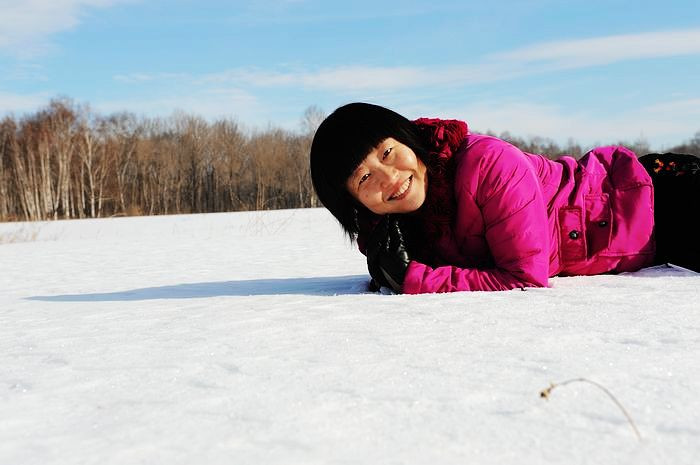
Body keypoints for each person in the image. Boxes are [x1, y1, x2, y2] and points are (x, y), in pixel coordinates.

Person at [309, 102, 700, 294]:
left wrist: (415, 279)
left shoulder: (488, 164)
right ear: (354, 204)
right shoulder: (388, 229)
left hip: (653, 200)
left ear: (407, 137)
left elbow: (525, 278)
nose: (390, 178)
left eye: (388, 153)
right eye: (364, 177)